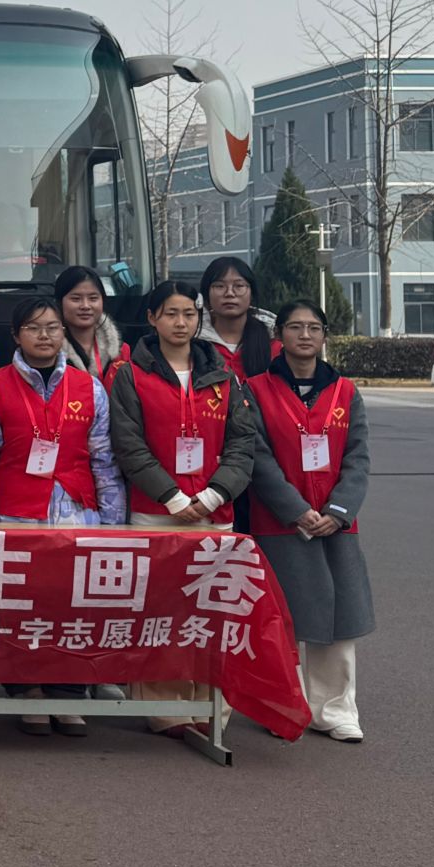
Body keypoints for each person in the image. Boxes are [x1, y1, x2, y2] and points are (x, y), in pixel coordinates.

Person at [0, 296, 125, 734]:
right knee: (21, 607)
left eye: (53, 327)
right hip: (15, 513)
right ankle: (27, 692)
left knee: (71, 605)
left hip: (77, 511)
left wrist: (113, 525)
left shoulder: (88, 387)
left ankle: (68, 691)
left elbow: (105, 461)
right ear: (16, 335)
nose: (45, 336)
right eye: (34, 328)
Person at [108, 279, 261, 735]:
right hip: (155, 511)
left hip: (215, 513)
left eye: (190, 314)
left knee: (212, 614)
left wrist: (214, 494)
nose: (181, 323)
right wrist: (171, 496)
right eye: (171, 313)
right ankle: (164, 708)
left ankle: (209, 705)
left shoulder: (223, 374)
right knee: (161, 613)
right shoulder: (131, 375)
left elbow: (242, 443)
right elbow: (128, 444)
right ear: (152, 318)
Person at [247, 300, 374, 742]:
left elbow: (357, 458)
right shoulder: (254, 389)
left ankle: (336, 708)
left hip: (336, 525)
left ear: (324, 336)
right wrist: (296, 509)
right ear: (279, 335)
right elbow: (257, 458)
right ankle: (283, 704)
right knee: (281, 618)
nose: (305, 335)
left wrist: (338, 512)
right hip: (280, 520)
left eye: (314, 328)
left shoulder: (345, 391)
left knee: (338, 618)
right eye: (295, 327)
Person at [197, 255, 275, 377]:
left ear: (252, 293)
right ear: (206, 293)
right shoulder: (194, 342)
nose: (229, 293)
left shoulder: (274, 340)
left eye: (239, 286)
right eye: (219, 286)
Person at [55, 265, 126, 385]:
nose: (85, 306)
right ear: (59, 301)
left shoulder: (121, 351)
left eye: (93, 298)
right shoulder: (48, 350)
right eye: (76, 299)